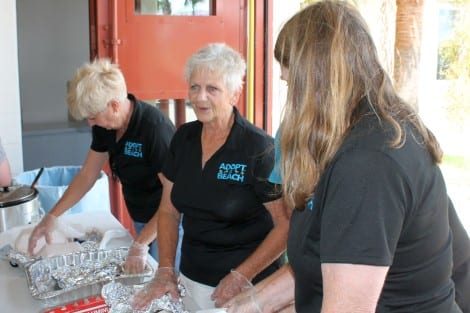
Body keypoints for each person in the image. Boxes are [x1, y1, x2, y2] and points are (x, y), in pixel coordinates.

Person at [225, 1, 470, 312]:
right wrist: (243, 306)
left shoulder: (369, 163)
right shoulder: (347, 140)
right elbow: (317, 268)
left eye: (290, 83)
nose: (291, 98)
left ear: (313, 81)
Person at [131, 43, 290, 312]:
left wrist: (241, 275)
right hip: (191, 277)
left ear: (234, 94)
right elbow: (169, 211)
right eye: (194, 87)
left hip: (246, 288)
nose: (200, 97)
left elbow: (285, 226)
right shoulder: (183, 138)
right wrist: (166, 269)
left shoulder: (258, 148)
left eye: (212, 89)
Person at [27, 59, 178, 271]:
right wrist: (52, 215)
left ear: (114, 105)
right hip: (142, 216)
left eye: (92, 117)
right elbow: (88, 174)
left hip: (170, 220)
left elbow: (174, 197)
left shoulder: (154, 130)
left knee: (165, 278)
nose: (90, 124)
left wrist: (141, 242)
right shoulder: (105, 126)